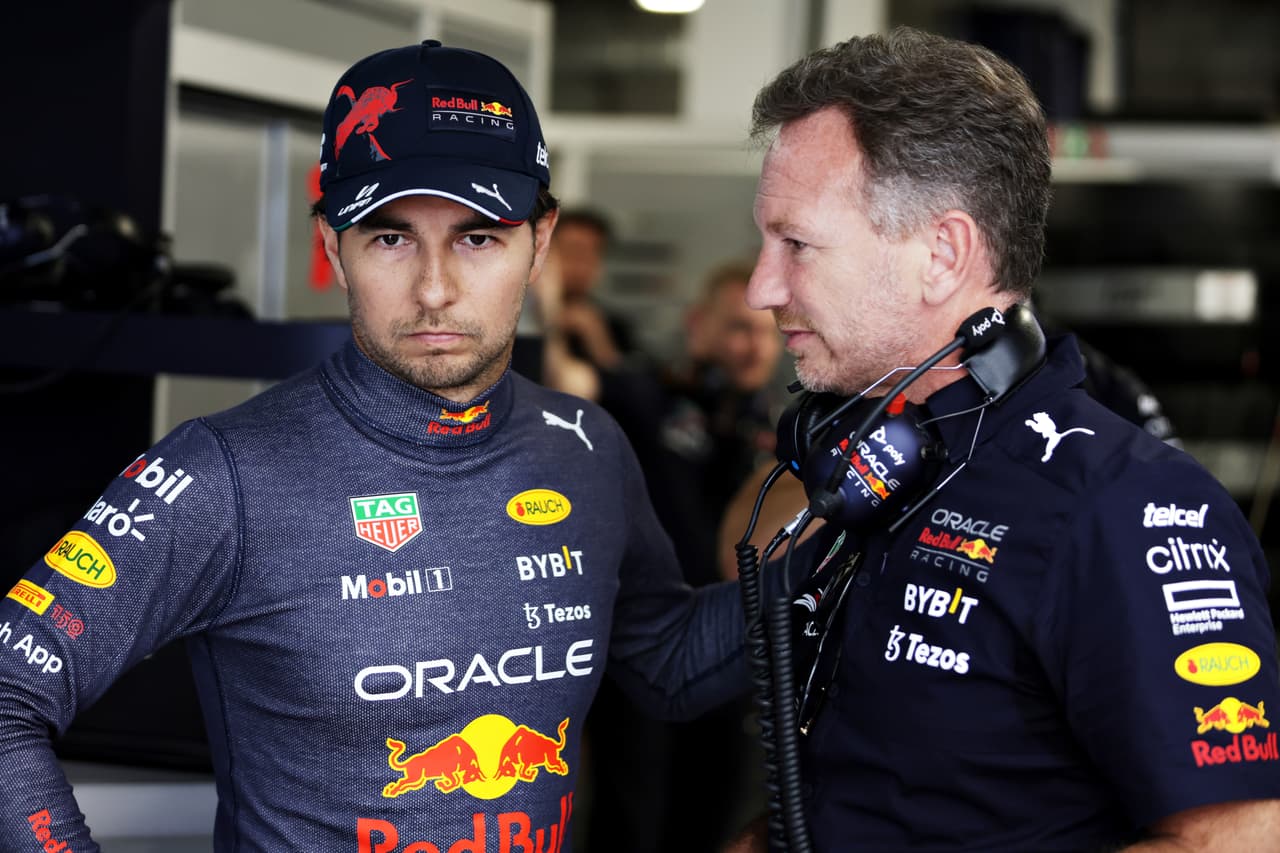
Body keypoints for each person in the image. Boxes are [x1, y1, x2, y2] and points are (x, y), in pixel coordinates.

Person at [0, 40, 749, 852]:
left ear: (541, 243)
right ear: (333, 246)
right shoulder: (223, 472)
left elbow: (669, 661)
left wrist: (833, 551)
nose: (434, 289)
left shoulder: (587, 447)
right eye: (392, 238)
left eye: (477, 238)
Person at [733, 26, 1280, 852]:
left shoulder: (1122, 506)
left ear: (942, 254)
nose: (760, 286)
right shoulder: (881, 466)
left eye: (797, 244)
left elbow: (1239, 836)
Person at [577, 261, 784, 853]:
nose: (754, 346)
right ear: (698, 326)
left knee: (713, 820)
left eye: (767, 333)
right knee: (631, 825)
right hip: (642, 655)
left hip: (732, 654)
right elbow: (570, 382)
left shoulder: (781, 431)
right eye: (739, 328)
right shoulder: (646, 397)